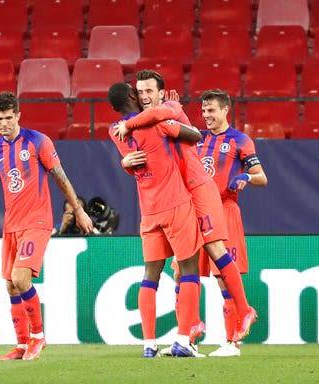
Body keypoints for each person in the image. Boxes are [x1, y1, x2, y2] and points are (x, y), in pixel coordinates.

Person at [116, 70, 258, 356]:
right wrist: (126, 163)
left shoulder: (169, 109)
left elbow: (193, 136)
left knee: (216, 249)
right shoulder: (150, 122)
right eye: (140, 91)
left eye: (149, 91)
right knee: (182, 268)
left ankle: (244, 311)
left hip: (198, 188)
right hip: (178, 197)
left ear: (160, 92)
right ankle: (188, 332)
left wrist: (137, 122)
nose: (144, 96)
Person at [0, 92, 94, 360]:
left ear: (18, 116)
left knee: (21, 278)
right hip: (11, 224)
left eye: (9, 118)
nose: (4, 124)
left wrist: (78, 210)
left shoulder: (37, 141)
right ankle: (22, 343)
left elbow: (61, 178)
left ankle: (37, 337)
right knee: (11, 285)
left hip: (37, 220)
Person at [108, 82, 204, 358]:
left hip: (148, 213)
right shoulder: (159, 125)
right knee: (189, 271)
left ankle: (149, 343)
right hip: (175, 205)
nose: (142, 96)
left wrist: (125, 163)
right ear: (131, 96)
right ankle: (183, 339)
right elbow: (195, 135)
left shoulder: (116, 133)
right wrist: (172, 112)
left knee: (150, 276)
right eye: (136, 92)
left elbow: (129, 159)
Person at [193, 89, 268, 357]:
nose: (207, 116)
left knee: (223, 278)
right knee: (182, 272)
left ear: (225, 110)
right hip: (196, 213)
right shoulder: (197, 140)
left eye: (211, 110)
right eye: (203, 111)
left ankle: (232, 342)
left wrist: (246, 178)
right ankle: (188, 336)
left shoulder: (240, 140)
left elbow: (261, 176)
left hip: (225, 210)